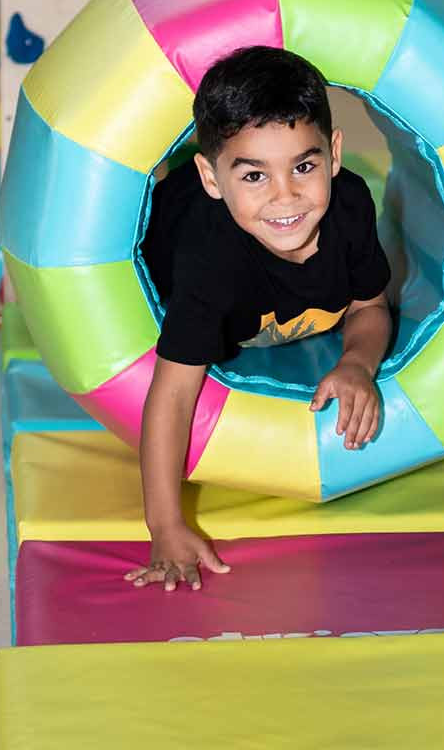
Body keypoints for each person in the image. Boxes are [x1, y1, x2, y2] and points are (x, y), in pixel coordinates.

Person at [125, 46, 392, 593]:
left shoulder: (350, 206)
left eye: (304, 166)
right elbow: (173, 394)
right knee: (149, 189)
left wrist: (357, 364)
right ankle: (175, 170)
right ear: (213, 177)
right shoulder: (210, 262)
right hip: (171, 222)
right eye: (254, 175)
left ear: (334, 155)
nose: (285, 196)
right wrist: (165, 525)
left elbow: (370, 306)